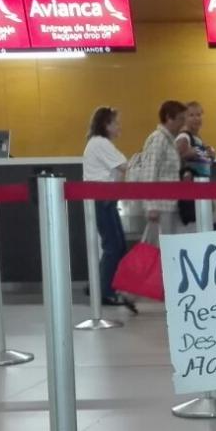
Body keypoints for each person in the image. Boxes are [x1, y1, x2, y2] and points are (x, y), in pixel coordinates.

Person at [82, 106, 137, 311]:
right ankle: (104, 290)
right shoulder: (101, 143)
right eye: (116, 123)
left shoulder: (98, 143)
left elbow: (121, 170)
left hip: (105, 199)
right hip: (102, 199)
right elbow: (126, 167)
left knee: (117, 245)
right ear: (106, 125)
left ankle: (99, 286)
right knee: (114, 246)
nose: (119, 126)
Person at [131, 100, 190, 234]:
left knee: (164, 248)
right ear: (169, 118)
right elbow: (150, 172)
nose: (183, 123)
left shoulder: (169, 141)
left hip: (169, 205)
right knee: (159, 249)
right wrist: (151, 206)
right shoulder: (158, 139)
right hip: (160, 207)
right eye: (180, 119)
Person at [175, 101, 216, 226]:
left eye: (198, 115)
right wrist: (197, 152)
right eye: (191, 115)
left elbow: (200, 157)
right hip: (192, 190)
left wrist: (209, 155)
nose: (196, 118)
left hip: (202, 186)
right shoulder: (184, 136)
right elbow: (178, 155)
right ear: (184, 118)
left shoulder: (197, 138)